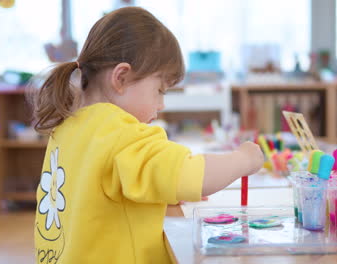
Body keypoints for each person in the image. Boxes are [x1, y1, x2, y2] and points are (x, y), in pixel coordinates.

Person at [31, 7, 263, 264]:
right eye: (160, 90)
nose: (162, 104)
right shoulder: (121, 133)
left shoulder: (69, 126)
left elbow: (104, 194)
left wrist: (163, 185)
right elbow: (193, 174)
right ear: (121, 77)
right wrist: (244, 159)